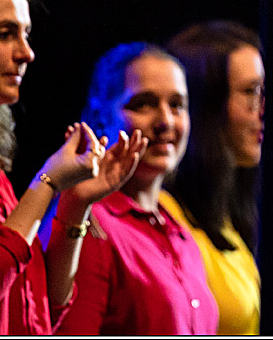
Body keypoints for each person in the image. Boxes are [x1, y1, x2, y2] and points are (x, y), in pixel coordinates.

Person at [0, 0, 146, 335]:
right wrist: (47, 182)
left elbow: (41, 310)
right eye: (4, 34)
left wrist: (76, 203)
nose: (26, 53)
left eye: (25, 34)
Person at [56, 42, 219, 334]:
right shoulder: (89, 225)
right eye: (143, 103)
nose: (166, 121)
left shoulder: (181, 233)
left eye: (177, 105)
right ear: (102, 114)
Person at [161, 20, 273, 335]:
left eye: (265, 92)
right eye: (251, 92)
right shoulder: (165, 218)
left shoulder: (231, 226)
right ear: (207, 104)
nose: (265, 110)